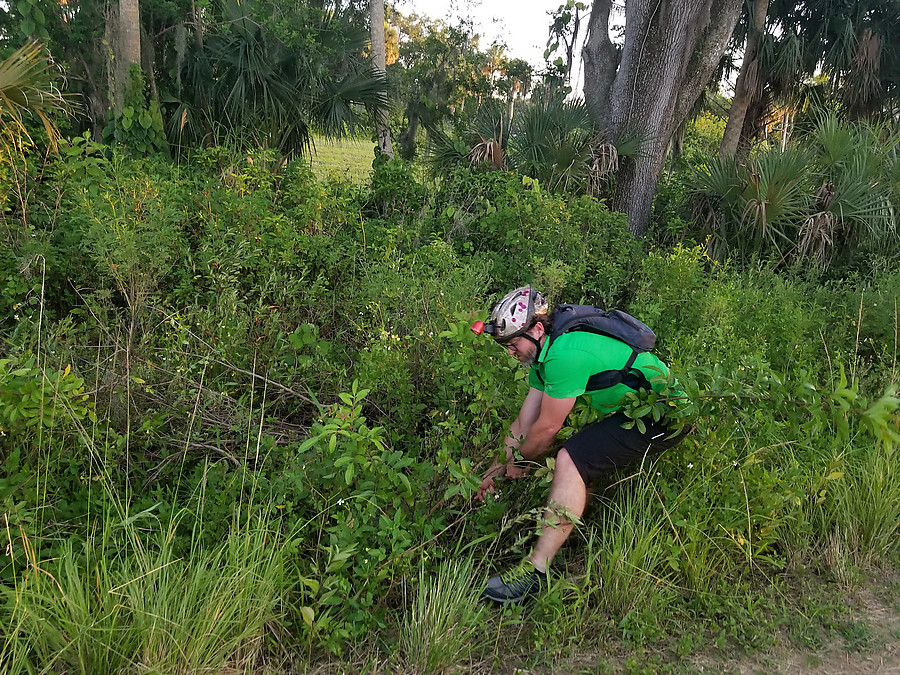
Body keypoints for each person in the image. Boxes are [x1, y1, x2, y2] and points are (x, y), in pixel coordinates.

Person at [474, 285, 689, 604]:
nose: (510, 351)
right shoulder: (543, 354)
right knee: (572, 455)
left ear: (535, 329)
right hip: (634, 412)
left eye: (512, 343)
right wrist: (494, 470)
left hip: (666, 415)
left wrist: (516, 463)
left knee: (570, 460)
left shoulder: (564, 354)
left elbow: (546, 429)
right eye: (505, 345)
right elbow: (523, 424)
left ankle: (535, 576)